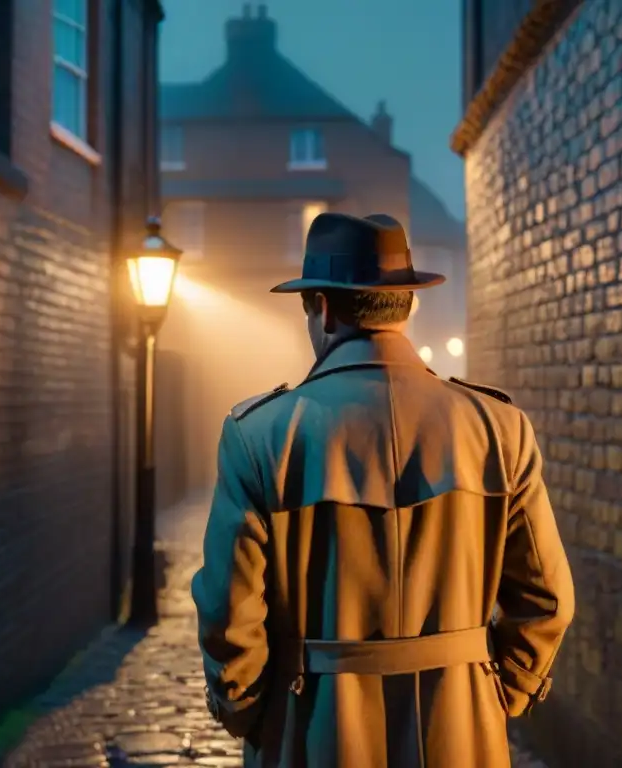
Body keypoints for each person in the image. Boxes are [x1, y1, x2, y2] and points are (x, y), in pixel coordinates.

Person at [191, 212, 575, 768]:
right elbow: (548, 599)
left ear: (321, 307)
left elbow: (229, 612)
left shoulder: (261, 436)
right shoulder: (498, 428)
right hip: (461, 734)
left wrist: (249, 711)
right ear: (407, 303)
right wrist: (494, 693)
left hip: (309, 735)